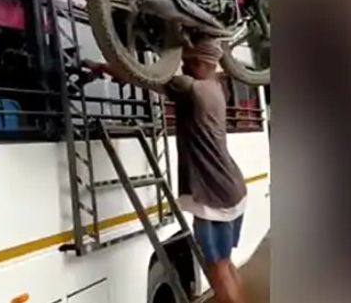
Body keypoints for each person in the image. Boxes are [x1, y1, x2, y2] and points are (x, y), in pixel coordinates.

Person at [83, 38, 248, 303]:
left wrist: (104, 67)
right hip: (233, 189)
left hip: (211, 195)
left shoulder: (190, 89)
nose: (181, 65)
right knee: (226, 264)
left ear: (197, 62)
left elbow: (144, 76)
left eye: (185, 61)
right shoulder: (215, 88)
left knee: (217, 271)